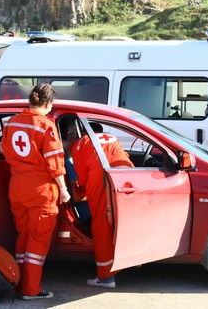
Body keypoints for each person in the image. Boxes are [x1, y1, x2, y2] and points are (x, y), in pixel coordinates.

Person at [0, 83, 71, 300]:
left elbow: (3, 149)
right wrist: (64, 189)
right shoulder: (46, 126)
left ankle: (17, 281)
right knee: (38, 241)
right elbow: (55, 162)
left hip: (17, 186)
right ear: (48, 104)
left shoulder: (12, 122)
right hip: (41, 191)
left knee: (23, 236)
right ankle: (30, 289)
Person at [69, 122, 134, 289]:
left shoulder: (81, 143)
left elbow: (82, 179)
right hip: (127, 179)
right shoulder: (112, 138)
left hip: (101, 180)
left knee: (101, 226)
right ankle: (129, 260)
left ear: (83, 131)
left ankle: (106, 278)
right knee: (124, 224)